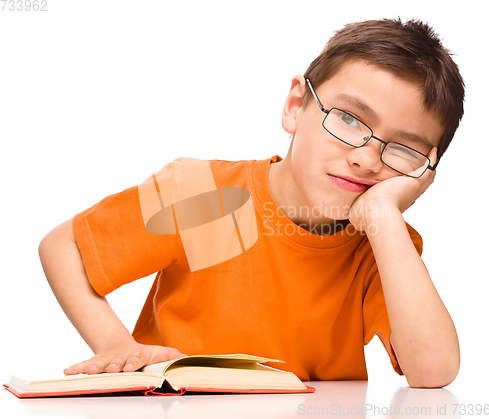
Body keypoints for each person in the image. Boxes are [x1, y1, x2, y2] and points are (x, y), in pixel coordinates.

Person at [38, 18, 464, 388]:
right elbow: (64, 247)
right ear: (296, 105)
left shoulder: (384, 244)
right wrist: (117, 346)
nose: (366, 159)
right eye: (349, 119)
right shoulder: (212, 196)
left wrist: (385, 218)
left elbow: (431, 370)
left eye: (405, 150)